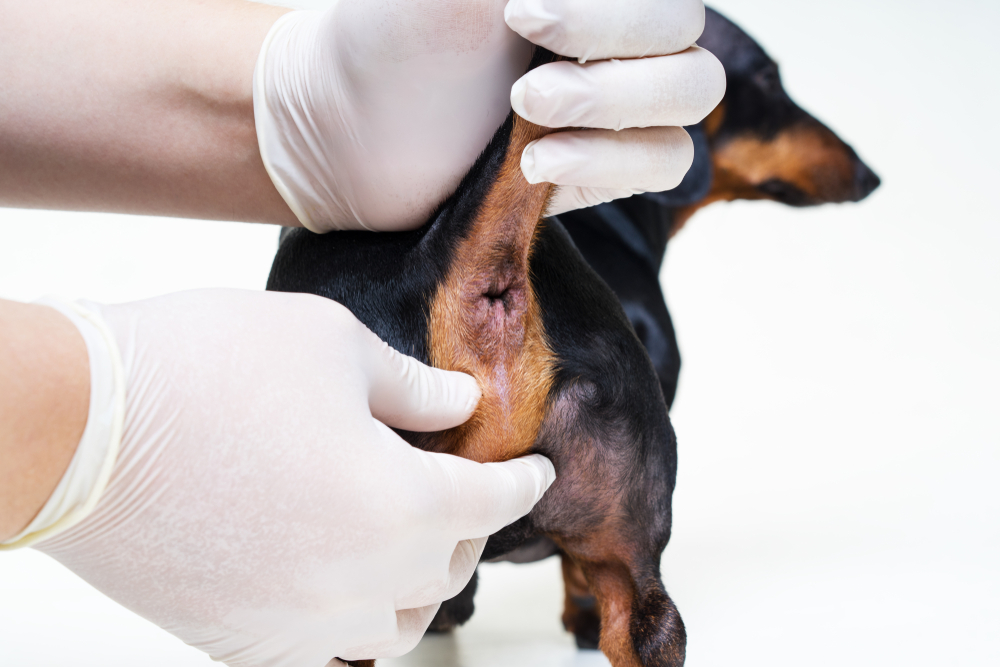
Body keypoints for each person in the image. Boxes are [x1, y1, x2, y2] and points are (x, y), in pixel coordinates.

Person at [0, 0, 724, 665]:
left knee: (342, 625)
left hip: (391, 380)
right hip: (588, 401)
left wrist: (268, 104)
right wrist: (93, 423)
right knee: (637, 601)